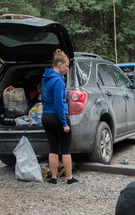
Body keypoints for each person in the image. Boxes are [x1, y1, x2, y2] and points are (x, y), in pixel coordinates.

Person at [42, 49, 78, 185]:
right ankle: (69, 178)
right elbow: (58, 103)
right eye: (67, 66)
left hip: (46, 117)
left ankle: (53, 178)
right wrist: (64, 123)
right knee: (65, 148)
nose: (67, 69)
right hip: (57, 117)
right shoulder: (58, 81)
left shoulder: (46, 78)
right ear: (60, 64)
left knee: (53, 148)